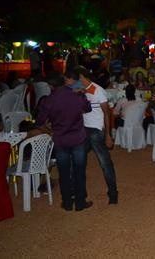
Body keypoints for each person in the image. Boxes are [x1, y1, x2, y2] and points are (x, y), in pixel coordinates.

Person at [36, 71, 93, 211]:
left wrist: (50, 131)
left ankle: (67, 202)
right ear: (63, 81)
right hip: (78, 138)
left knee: (64, 172)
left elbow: (40, 122)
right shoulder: (76, 94)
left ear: (50, 85)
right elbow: (88, 108)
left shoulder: (48, 100)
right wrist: (82, 95)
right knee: (79, 171)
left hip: (60, 139)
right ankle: (80, 202)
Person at [68, 66, 118, 205]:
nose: (73, 82)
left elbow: (107, 113)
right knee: (77, 162)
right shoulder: (79, 90)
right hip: (84, 130)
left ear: (81, 77)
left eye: (75, 79)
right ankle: (79, 195)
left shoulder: (98, 90)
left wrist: (108, 135)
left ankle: (113, 193)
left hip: (96, 130)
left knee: (105, 163)